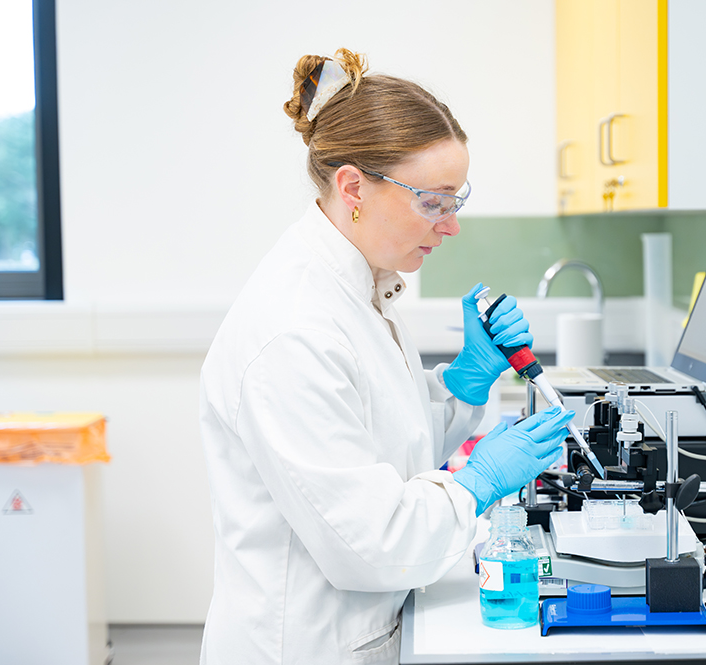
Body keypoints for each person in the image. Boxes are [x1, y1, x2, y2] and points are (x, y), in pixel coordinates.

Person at [199, 49, 573, 664]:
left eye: (457, 199)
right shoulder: (293, 330)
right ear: (353, 188)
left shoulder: (359, 286)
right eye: (434, 201)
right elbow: (369, 541)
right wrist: (477, 485)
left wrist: (463, 383)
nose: (450, 225)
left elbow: (376, 441)